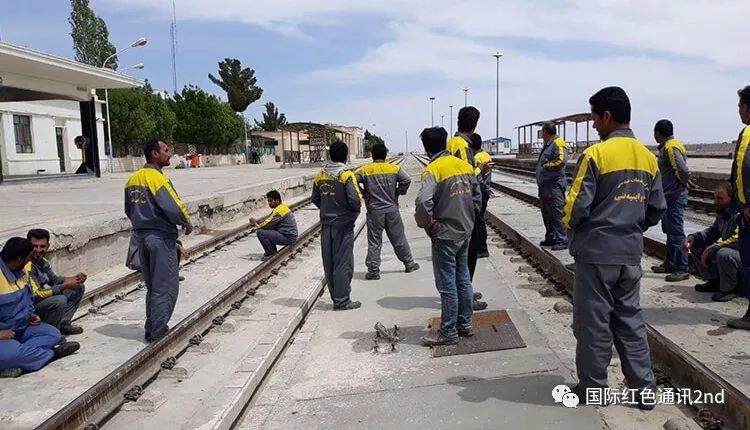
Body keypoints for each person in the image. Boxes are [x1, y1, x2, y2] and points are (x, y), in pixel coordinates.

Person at [563, 87, 666, 409]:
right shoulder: (648, 158)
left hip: (596, 254)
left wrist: (576, 231)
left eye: (595, 118)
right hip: (630, 253)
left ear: (607, 116)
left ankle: (594, 388)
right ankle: (644, 390)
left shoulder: (596, 155)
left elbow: (575, 207)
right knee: (631, 322)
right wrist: (630, 227)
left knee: (593, 324)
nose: (594, 126)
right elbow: (657, 208)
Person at [416, 127, 481, 346]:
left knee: (447, 285)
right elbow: (477, 196)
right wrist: (470, 218)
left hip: (444, 234)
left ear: (426, 148)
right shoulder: (464, 165)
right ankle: (465, 325)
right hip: (465, 231)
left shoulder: (433, 170)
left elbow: (423, 202)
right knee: (463, 279)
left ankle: (448, 332)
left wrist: (427, 225)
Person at [125, 140, 193, 342]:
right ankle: (158, 330)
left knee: (153, 286)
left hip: (141, 237)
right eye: (165, 150)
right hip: (161, 238)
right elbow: (173, 206)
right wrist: (187, 222)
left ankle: (151, 327)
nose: (169, 154)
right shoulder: (157, 178)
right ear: (154, 154)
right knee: (166, 286)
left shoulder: (132, 179)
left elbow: (128, 209)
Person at [1, 238, 79, 378]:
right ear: (19, 259)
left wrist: (30, 315)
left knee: (53, 334)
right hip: (2, 336)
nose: (30, 261)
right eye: (28, 258)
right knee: (11, 354)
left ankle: (20, 358)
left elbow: (27, 299)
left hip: (19, 329)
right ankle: (52, 354)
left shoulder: (22, 271)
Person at [355, 143, 419, 280]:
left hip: (374, 211)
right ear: (385, 155)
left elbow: (352, 180)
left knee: (374, 242)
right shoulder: (394, 168)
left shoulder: (365, 170)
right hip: (392, 210)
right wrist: (398, 192)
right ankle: (409, 264)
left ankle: (373, 271)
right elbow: (407, 180)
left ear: (372, 156)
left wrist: (363, 193)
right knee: (399, 238)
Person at [312, 141, 362, 311]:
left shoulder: (320, 175)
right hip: (343, 224)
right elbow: (355, 200)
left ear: (330, 155)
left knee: (329, 262)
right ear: (345, 155)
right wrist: (352, 213)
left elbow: (315, 198)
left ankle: (336, 297)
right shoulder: (346, 175)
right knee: (343, 262)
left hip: (326, 224)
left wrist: (327, 209)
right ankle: (342, 301)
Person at [683, 184, 741, 302]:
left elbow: (737, 239)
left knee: (724, 254)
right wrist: (694, 237)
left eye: (720, 199)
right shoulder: (723, 212)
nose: (715, 202)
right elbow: (712, 232)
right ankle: (714, 281)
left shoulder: (741, 215)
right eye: (714, 198)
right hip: (733, 253)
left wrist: (712, 248)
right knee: (696, 244)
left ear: (732, 198)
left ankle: (729, 289)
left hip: (743, 257)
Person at [651, 119, 691, 281]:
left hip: (674, 196)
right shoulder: (669, 145)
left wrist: (684, 182)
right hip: (668, 196)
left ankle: (682, 267)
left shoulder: (670, 147)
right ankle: (670, 263)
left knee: (676, 232)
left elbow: (682, 169)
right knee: (669, 231)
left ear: (658, 133)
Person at [25, 229, 85, 334]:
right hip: (30, 306)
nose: (38, 250)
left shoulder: (42, 261)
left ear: (47, 246)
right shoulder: (27, 265)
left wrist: (76, 279)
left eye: (42, 246)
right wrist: (64, 286)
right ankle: (51, 334)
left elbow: (54, 280)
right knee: (59, 300)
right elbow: (36, 294)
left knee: (78, 287)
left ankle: (63, 324)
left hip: (40, 300)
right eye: (35, 246)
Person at [727, 85, 750, 330]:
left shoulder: (748, 133)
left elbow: (745, 167)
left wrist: (746, 204)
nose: (739, 111)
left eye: (740, 106)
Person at [536, 121, 569, 251]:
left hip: (554, 185)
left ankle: (562, 239)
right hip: (545, 185)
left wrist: (546, 166)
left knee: (556, 212)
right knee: (547, 213)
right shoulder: (549, 144)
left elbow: (561, 161)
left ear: (545, 132)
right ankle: (551, 237)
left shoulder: (558, 143)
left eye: (542, 132)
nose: (541, 135)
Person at [250, 190, 299, 261]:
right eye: (268, 201)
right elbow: (269, 219)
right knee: (268, 229)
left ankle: (270, 254)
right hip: (290, 235)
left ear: (277, 200)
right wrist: (258, 221)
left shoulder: (279, 211)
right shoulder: (281, 207)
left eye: (270, 201)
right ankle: (272, 251)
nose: (269, 203)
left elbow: (266, 224)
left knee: (260, 232)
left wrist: (255, 223)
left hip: (288, 237)